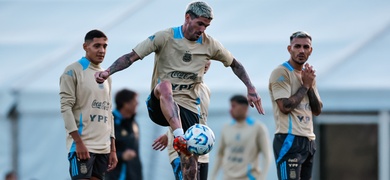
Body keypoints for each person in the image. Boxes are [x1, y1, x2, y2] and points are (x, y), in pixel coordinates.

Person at [95, 2, 264, 179]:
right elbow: (131, 57)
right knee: (165, 86)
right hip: (160, 104)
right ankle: (179, 136)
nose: (202, 29)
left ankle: (182, 142)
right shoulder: (164, 37)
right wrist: (107, 71)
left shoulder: (210, 44)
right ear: (187, 17)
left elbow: (235, 64)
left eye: (206, 26)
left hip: (188, 108)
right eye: (200, 24)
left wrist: (251, 88)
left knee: (191, 167)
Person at [60, 29, 118, 180]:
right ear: (85, 47)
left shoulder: (106, 76)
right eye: (97, 46)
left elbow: (108, 113)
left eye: (105, 46)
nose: (102, 50)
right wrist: (78, 142)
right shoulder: (73, 71)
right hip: (83, 145)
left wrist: (113, 149)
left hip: (103, 148)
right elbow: (65, 108)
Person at [268, 31, 323, 180]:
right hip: (289, 139)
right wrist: (305, 86)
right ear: (289, 49)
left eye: (306, 47)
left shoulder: (308, 75)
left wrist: (309, 85)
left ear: (310, 50)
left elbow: (317, 110)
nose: (301, 51)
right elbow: (284, 107)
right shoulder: (282, 72)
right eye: (297, 46)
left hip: (309, 140)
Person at [152, 61, 212, 180]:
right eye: (200, 59)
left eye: (207, 59)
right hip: (182, 149)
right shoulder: (178, 87)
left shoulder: (206, 89)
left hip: (202, 150)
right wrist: (171, 132)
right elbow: (172, 113)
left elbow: (198, 119)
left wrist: (166, 134)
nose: (205, 63)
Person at [210, 95, 271, 180]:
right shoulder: (226, 127)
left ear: (244, 108)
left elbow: (267, 156)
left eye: (233, 106)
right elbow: (220, 154)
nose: (230, 110)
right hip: (228, 178)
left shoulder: (258, 128)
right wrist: (212, 177)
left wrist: (262, 177)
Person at [106, 89, 143, 180]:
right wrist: (121, 155)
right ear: (125, 103)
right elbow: (100, 151)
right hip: (115, 175)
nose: (137, 104)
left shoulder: (134, 123)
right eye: (135, 101)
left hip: (134, 175)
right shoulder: (110, 122)